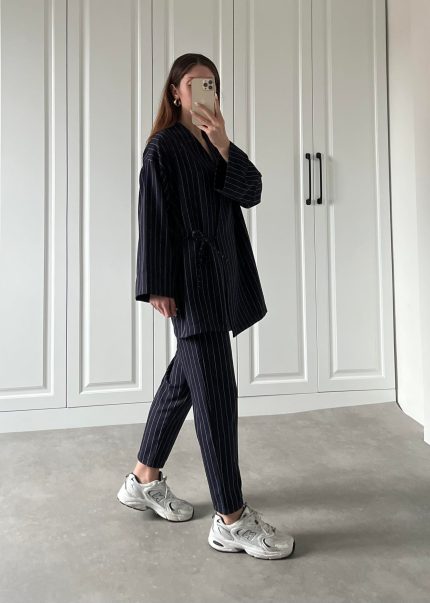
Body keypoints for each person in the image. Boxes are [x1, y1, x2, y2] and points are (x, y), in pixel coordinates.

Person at [117, 53, 295, 560]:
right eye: (196, 83)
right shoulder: (163, 147)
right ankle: (230, 519)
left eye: (212, 84)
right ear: (176, 92)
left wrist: (223, 144)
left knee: (184, 382)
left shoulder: (213, 144)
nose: (205, 91)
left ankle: (143, 479)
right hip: (189, 283)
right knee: (216, 395)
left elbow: (252, 192)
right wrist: (156, 285)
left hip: (222, 275)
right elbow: (152, 216)